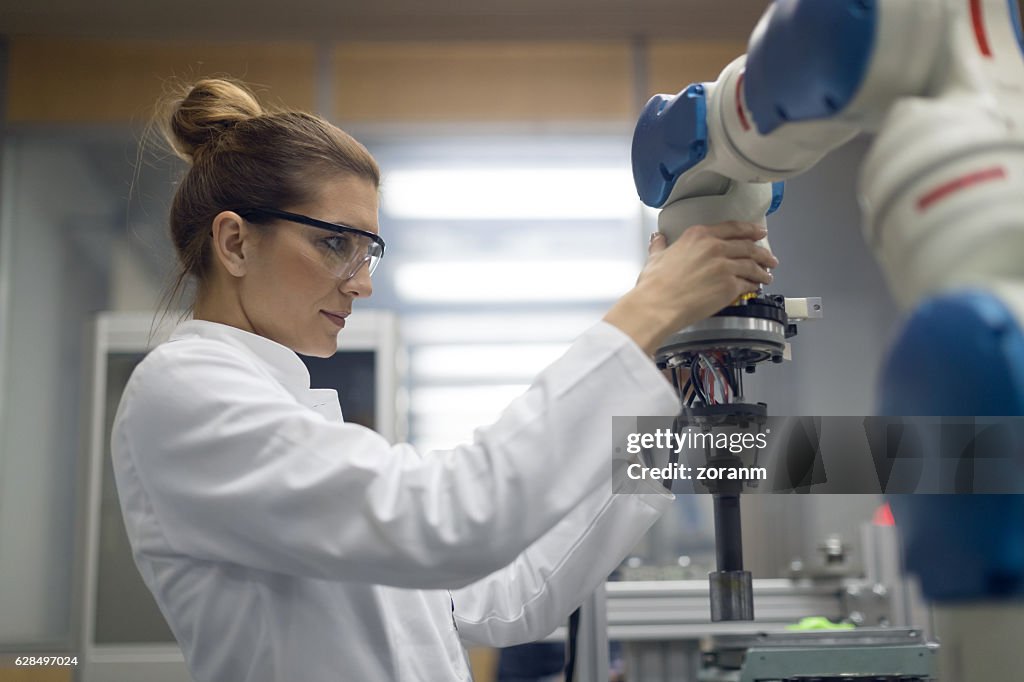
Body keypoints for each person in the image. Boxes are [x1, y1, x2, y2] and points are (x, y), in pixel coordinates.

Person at [111, 78, 777, 682]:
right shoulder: (184, 392)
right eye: (333, 242)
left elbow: (504, 595)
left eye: (367, 249)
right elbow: (451, 520)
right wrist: (647, 311)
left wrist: (664, 370)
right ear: (235, 244)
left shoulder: (293, 413)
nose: (363, 281)